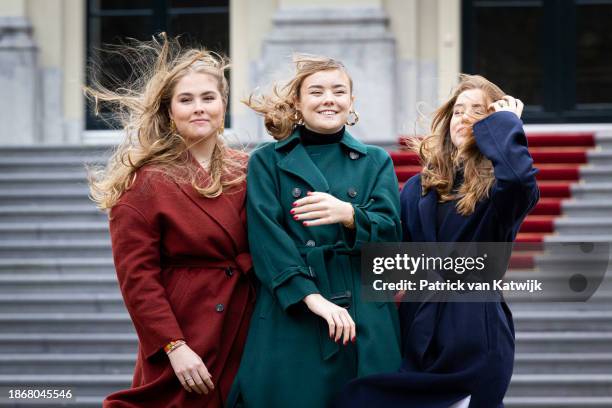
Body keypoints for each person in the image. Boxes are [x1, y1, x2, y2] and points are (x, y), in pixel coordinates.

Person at [335, 74, 539, 408]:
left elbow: (518, 178)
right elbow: (388, 253)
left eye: (479, 111)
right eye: (459, 111)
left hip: (474, 335)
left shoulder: (501, 189)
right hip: (418, 328)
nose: (465, 118)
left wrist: (507, 126)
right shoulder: (419, 187)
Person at [87, 34, 255, 408]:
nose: (199, 108)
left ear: (223, 105)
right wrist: (174, 346)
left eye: (208, 98)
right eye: (186, 99)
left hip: (247, 325)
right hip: (187, 333)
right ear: (169, 111)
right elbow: (137, 279)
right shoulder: (143, 182)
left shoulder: (249, 170)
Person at [228, 55, 402, 408]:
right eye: (317, 91)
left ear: (351, 102)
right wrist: (313, 299)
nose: (329, 99)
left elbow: (391, 237)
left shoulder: (375, 160)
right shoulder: (268, 161)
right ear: (297, 101)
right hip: (294, 307)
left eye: (339, 91)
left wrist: (348, 214)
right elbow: (266, 241)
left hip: (364, 313)